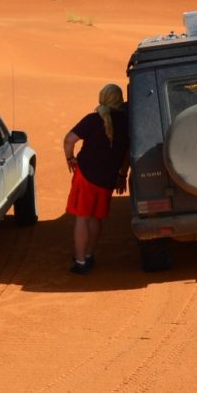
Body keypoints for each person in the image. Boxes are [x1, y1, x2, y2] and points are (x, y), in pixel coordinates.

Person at [62, 83, 130, 274]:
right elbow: (127, 153)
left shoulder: (93, 119)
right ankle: (89, 256)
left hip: (85, 175)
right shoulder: (126, 123)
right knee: (95, 218)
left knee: (82, 219)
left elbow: (69, 140)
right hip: (108, 179)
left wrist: (70, 158)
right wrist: (122, 175)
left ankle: (80, 262)